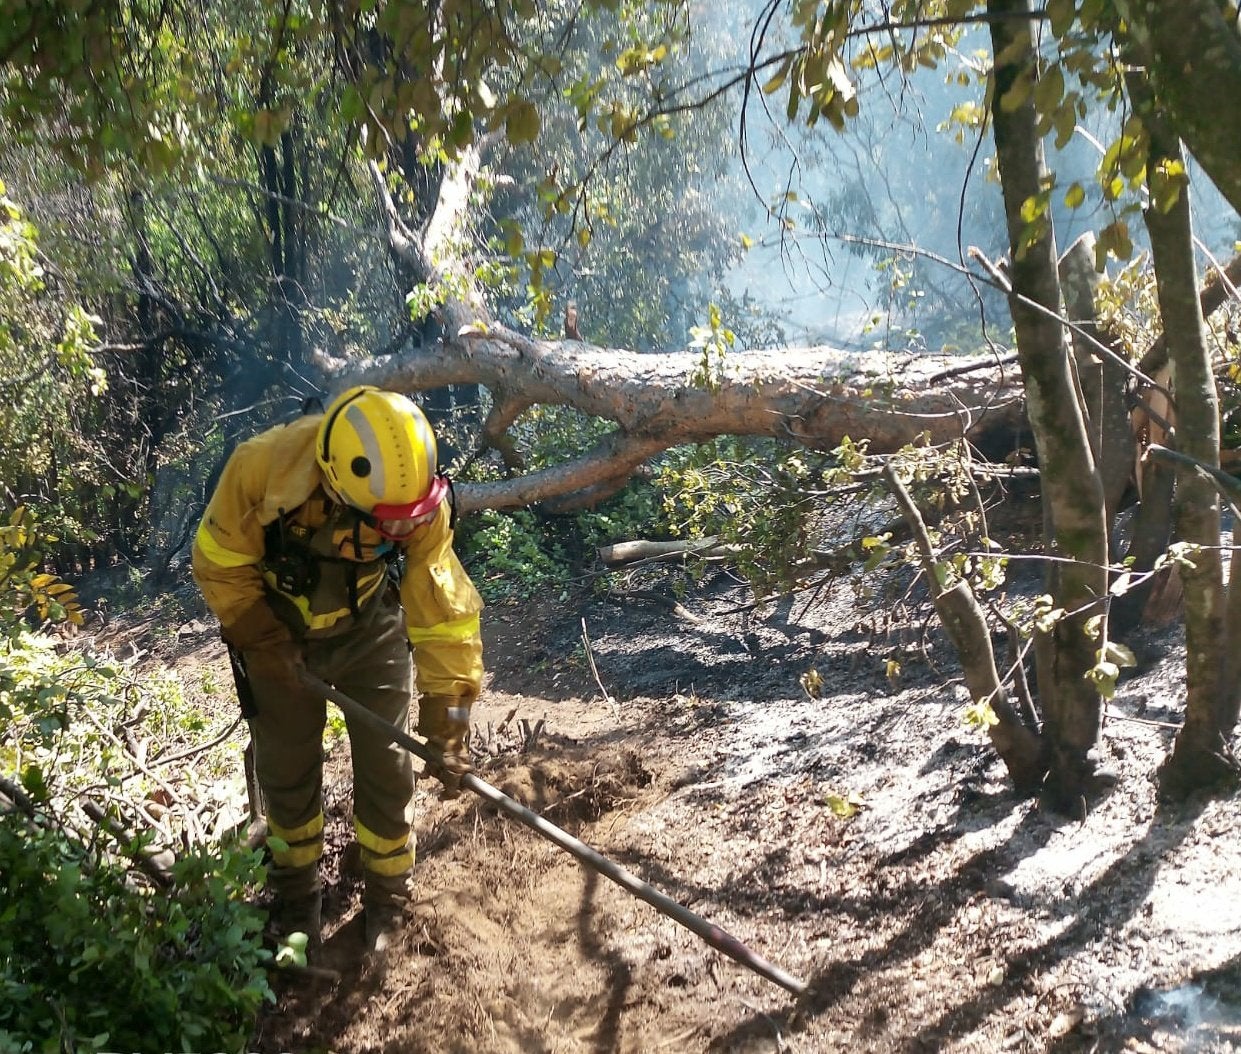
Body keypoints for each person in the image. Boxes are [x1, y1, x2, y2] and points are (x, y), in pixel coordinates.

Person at [191, 386, 484, 953]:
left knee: (388, 763)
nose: (402, 533)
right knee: (287, 768)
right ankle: (297, 897)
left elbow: (444, 615)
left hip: (368, 629)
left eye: (409, 522)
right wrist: (263, 638)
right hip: (277, 636)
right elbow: (219, 562)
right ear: (333, 484)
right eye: (385, 525)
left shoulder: (418, 499)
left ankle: (388, 897)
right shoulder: (261, 470)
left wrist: (450, 719)